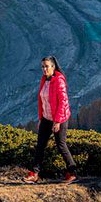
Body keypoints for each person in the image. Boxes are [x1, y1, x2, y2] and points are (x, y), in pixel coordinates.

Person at [23, 56, 77, 184]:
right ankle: (34, 174)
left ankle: (73, 172)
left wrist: (57, 121)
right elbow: (42, 100)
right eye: (42, 66)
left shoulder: (59, 81)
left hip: (60, 118)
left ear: (53, 67)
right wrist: (41, 118)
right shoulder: (44, 79)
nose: (44, 69)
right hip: (46, 118)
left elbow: (63, 102)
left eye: (47, 66)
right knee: (40, 145)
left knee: (61, 145)